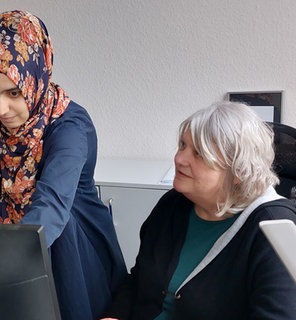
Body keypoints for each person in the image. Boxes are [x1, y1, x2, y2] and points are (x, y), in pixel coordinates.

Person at [0, 10, 127, 320]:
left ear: (35, 76)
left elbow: (53, 199)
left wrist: (7, 258)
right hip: (22, 241)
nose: (0, 108)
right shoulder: (6, 122)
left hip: (69, 244)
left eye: (13, 93)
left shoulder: (69, 126)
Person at [104, 101, 296, 320]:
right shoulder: (173, 205)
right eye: (182, 145)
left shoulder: (272, 228)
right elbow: (138, 279)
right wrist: (115, 315)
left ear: (238, 171)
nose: (179, 159)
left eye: (199, 154)